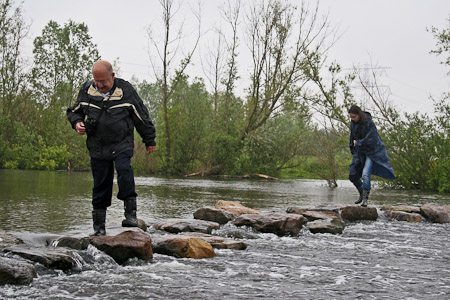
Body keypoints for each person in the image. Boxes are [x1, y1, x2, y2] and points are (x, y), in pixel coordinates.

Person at [67, 60, 156, 236]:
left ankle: (131, 215)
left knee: (124, 171)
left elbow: (141, 116)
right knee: (101, 184)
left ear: (112, 76)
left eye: (104, 81)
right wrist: (77, 123)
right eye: (96, 81)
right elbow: (74, 111)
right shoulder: (87, 91)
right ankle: (99, 227)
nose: (100, 85)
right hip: (97, 145)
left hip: (122, 143)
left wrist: (149, 139)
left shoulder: (126, 91)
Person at [348, 105, 395, 207]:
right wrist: (353, 148)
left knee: (365, 174)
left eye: (354, 117)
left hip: (372, 151)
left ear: (359, 115)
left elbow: (372, 139)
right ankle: (361, 193)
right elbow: (352, 137)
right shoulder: (353, 124)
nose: (352, 119)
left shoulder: (369, 123)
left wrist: (359, 143)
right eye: (351, 117)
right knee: (352, 174)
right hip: (359, 151)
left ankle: (365, 199)